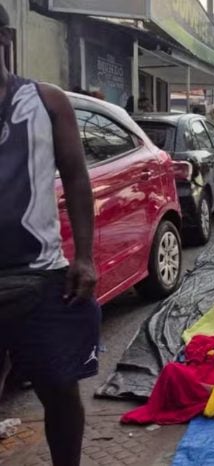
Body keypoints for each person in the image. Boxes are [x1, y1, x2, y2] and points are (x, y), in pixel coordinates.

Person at [0, 6, 100, 464]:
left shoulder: (46, 101)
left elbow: (78, 177)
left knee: (59, 390)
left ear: (5, 39)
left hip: (41, 280)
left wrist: (85, 256)